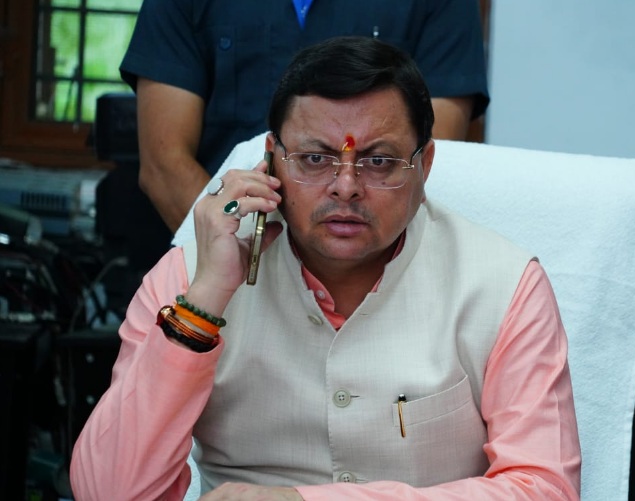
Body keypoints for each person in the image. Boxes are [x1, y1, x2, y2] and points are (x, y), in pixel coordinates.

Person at [71, 37, 581, 500]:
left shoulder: (503, 285)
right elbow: (107, 493)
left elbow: (545, 489)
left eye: (378, 162)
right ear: (272, 160)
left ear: (424, 166)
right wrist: (204, 301)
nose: (345, 187)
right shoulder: (189, 278)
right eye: (314, 159)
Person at [120, 0, 490, 233]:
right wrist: (233, 252)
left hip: (375, 269)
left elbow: (424, 157)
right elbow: (164, 165)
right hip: (223, 254)